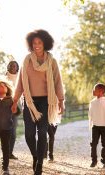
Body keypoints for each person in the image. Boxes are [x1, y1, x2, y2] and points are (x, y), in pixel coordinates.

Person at [11, 29, 65, 175]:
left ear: (45, 43)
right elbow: (20, 84)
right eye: (34, 43)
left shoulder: (51, 61)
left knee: (42, 133)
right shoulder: (26, 61)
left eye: (39, 42)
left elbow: (58, 82)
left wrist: (61, 100)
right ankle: (35, 156)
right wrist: (15, 100)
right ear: (30, 44)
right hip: (29, 102)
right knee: (29, 134)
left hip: (46, 101)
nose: (36, 45)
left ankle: (40, 164)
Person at [88, 83, 105, 168]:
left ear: (100, 91)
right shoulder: (92, 102)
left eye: (94, 89)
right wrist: (90, 124)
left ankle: (104, 161)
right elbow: (90, 115)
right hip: (95, 126)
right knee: (93, 144)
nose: (93, 90)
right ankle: (94, 161)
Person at [6, 60, 20, 160]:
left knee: (13, 131)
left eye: (14, 66)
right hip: (5, 107)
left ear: (17, 67)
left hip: (16, 106)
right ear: (8, 67)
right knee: (5, 130)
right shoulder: (4, 77)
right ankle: (5, 153)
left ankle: (10, 153)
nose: (12, 67)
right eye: (11, 65)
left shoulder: (20, 77)